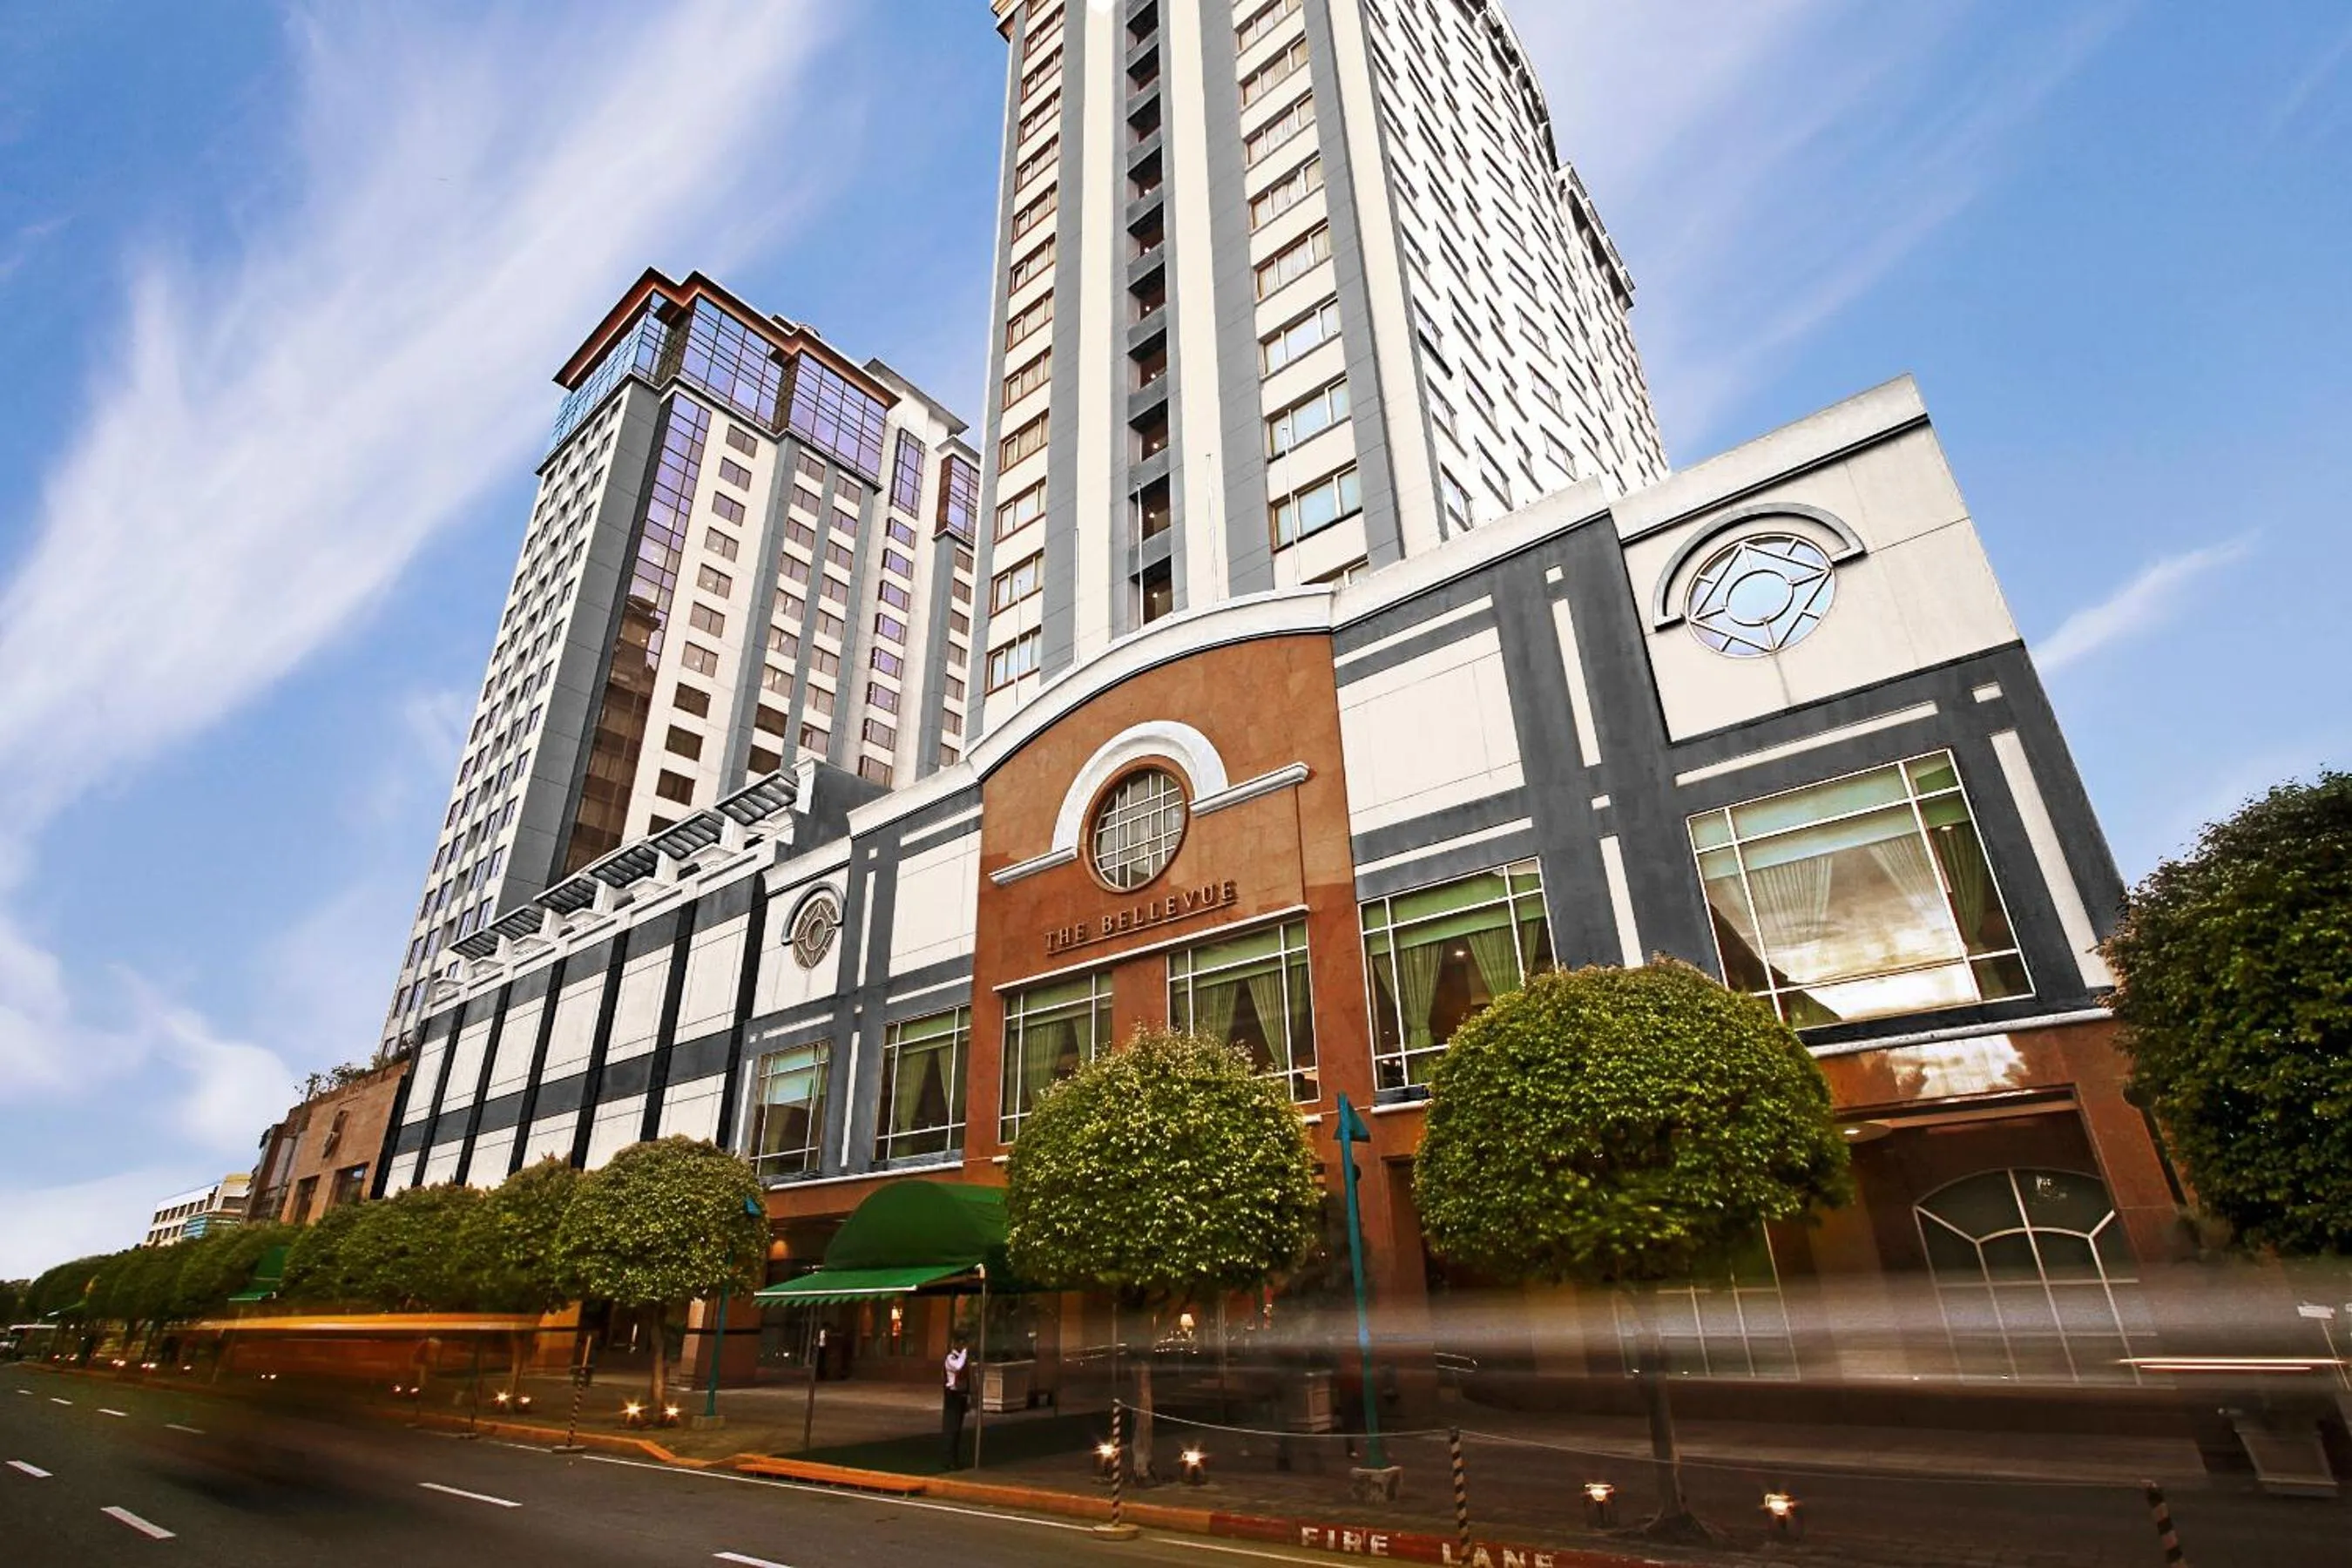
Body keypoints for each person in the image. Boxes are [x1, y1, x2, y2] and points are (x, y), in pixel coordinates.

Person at [941, 1332, 970, 1469]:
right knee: (951, 1428)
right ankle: (948, 1460)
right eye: (962, 1343)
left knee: (957, 1429)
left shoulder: (962, 1358)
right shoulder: (951, 1358)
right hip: (952, 1395)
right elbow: (958, 1366)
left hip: (960, 1395)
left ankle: (954, 1459)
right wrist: (964, 1352)